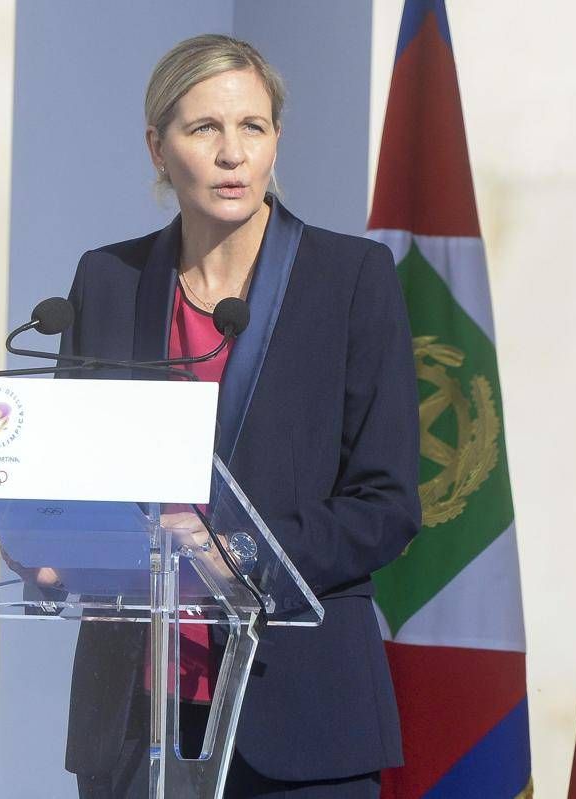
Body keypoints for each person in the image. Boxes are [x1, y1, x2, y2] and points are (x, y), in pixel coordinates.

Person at [59, 34, 421, 799]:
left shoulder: (351, 279)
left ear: (276, 139)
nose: (232, 153)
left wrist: (247, 553)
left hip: (300, 719)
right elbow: (67, 474)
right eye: (204, 128)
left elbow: (387, 505)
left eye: (252, 126)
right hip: (134, 716)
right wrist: (49, 542)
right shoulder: (108, 279)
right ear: (158, 149)